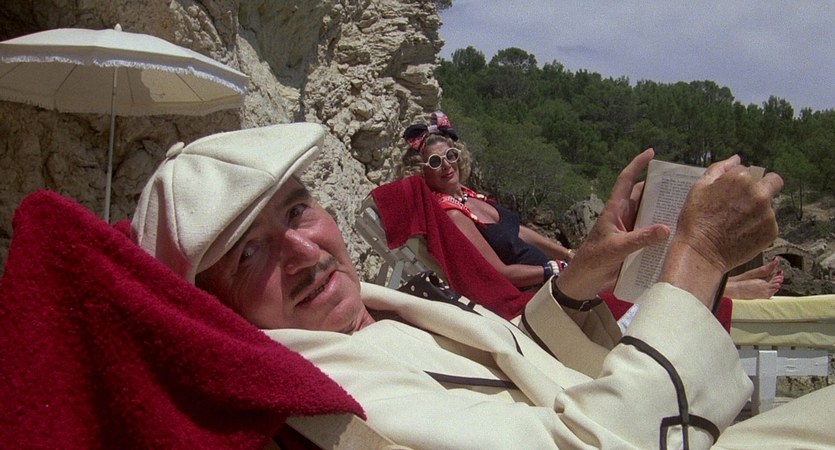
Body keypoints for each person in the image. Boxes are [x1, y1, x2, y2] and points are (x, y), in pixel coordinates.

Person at [132, 123, 834, 449]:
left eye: (295, 211)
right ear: (211, 304)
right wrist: (699, 256)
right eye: (248, 254)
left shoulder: (374, 311)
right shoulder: (326, 391)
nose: (302, 252)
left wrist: (580, 275)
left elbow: (499, 365)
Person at [398, 113, 784, 299]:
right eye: (435, 162)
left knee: (636, 207)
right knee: (622, 275)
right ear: (422, 170)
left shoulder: (471, 198)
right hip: (542, 290)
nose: (446, 165)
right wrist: (556, 268)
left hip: (555, 272)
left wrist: (569, 252)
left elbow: (520, 232)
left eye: (450, 155)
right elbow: (497, 272)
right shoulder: (452, 213)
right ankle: (726, 289)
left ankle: (722, 280)